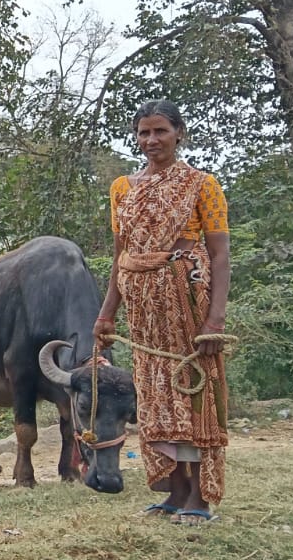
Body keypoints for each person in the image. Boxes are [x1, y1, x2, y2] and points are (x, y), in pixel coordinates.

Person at [94, 99, 232, 526]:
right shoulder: (123, 188)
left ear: (179, 133)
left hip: (187, 304)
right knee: (155, 397)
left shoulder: (202, 185)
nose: (151, 140)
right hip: (144, 312)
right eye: (143, 133)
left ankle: (198, 497)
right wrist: (106, 315)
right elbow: (121, 256)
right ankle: (174, 491)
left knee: (191, 392)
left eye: (160, 132)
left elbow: (220, 254)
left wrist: (215, 320)